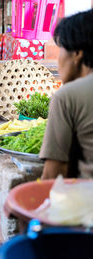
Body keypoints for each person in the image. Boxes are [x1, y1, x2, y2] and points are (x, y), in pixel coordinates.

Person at [40, 9, 93, 179]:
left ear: (77, 54)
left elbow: (53, 174)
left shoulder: (67, 96)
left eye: (60, 49)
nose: (58, 59)